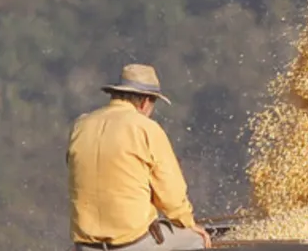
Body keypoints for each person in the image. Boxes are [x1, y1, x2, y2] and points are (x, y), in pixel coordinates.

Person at [67, 63, 211, 251]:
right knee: (195, 240)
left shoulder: (81, 126)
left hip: (86, 245)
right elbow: (170, 194)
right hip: (131, 243)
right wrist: (187, 222)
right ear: (145, 102)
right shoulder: (145, 128)